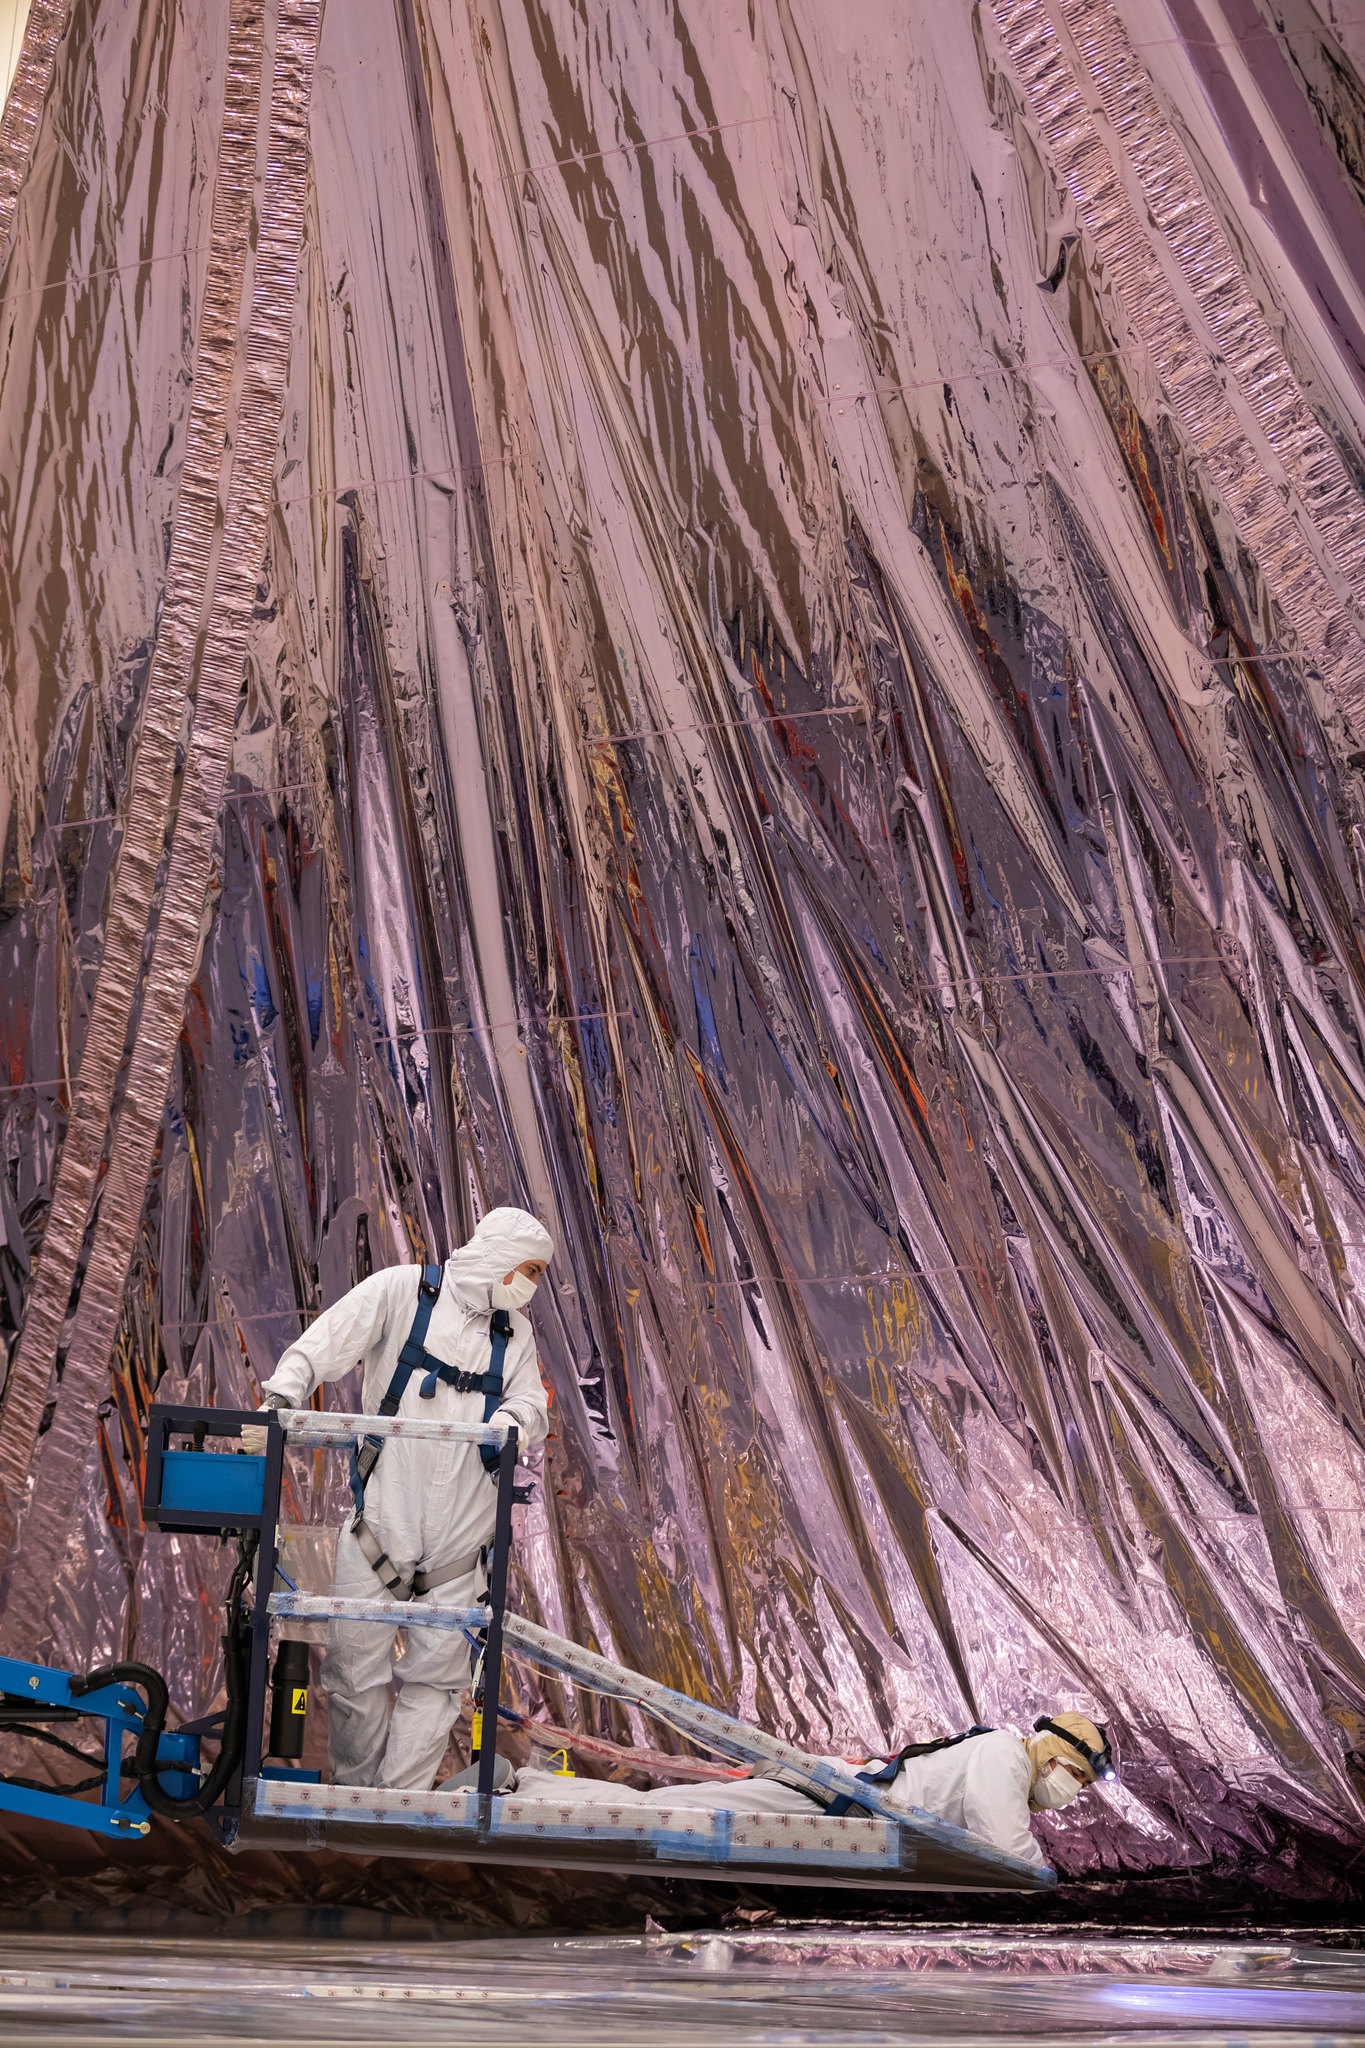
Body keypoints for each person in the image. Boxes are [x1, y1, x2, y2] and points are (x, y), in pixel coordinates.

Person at [255, 1206, 554, 1790]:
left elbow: (532, 1403)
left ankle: (399, 1805)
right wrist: (281, 1395)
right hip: (380, 1533)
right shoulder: (403, 1292)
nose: (532, 1287)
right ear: (496, 1256)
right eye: (529, 1270)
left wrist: (515, 1418)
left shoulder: (514, 1332)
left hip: (460, 1546)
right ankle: (356, 1796)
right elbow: (327, 1342)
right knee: (351, 1675)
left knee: (437, 1684)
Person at [506, 1709, 1111, 1867]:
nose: (1072, 1792)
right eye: (1076, 1778)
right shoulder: (1005, 1755)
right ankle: (522, 1791)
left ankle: (528, 1786)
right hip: (823, 1796)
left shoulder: (1003, 1753)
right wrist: (1048, 1881)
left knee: (668, 1812)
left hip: (831, 1800)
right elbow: (1009, 1845)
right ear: (1055, 1756)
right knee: (667, 1812)